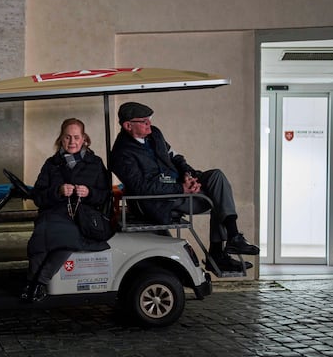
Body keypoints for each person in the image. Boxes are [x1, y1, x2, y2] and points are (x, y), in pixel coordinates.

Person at [110, 102, 259, 273]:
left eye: (149, 120)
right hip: (160, 200)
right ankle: (218, 255)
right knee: (217, 198)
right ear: (128, 125)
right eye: (144, 121)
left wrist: (189, 175)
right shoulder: (121, 154)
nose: (149, 124)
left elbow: (175, 156)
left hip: (180, 184)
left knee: (216, 177)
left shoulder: (155, 134)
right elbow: (142, 188)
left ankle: (233, 237)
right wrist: (182, 189)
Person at [21, 118, 111, 302]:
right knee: (43, 237)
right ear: (61, 139)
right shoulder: (51, 164)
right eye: (67, 137)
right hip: (53, 213)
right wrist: (58, 191)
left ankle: (38, 282)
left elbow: (104, 195)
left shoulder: (95, 163)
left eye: (76, 137)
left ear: (84, 139)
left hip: (83, 218)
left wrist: (89, 192)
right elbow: (38, 197)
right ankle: (33, 283)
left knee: (65, 237)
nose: (72, 142)